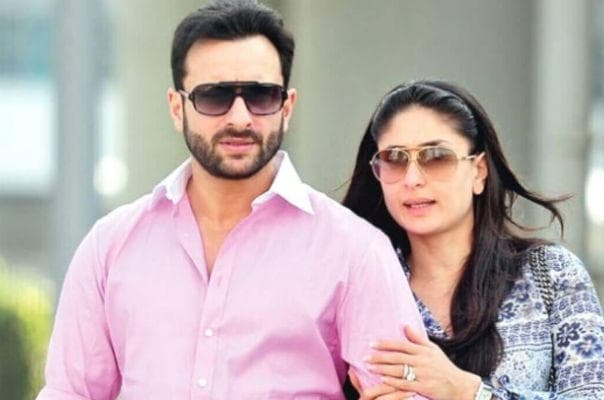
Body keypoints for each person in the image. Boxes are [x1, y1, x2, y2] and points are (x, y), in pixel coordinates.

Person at [36, 2, 428, 399]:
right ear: (177, 108)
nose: (240, 118)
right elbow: (70, 392)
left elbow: (409, 392)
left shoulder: (354, 252)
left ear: (287, 107)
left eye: (261, 96)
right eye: (214, 96)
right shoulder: (110, 246)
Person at [342, 80, 604, 399]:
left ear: (479, 171)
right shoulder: (359, 287)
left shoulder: (551, 273)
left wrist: (467, 391)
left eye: (436, 156)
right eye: (395, 157)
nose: (413, 179)